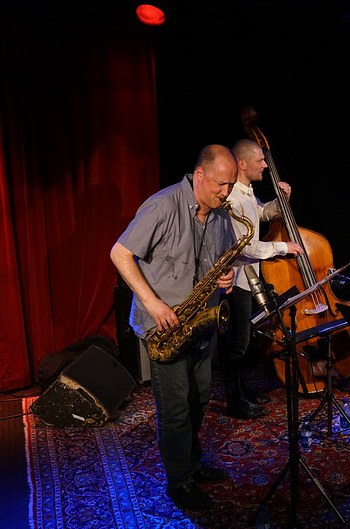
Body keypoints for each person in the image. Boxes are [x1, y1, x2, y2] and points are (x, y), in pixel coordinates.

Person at [110, 144, 238, 512]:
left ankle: (192, 462)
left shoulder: (219, 212)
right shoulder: (162, 206)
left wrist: (227, 277)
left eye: (230, 186)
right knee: (176, 408)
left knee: (199, 399)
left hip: (200, 323)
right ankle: (179, 481)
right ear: (199, 175)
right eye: (220, 184)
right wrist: (152, 302)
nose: (225, 193)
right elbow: (119, 253)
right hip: (164, 327)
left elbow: (222, 262)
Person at [222, 139, 304, 419]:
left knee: (244, 344)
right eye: (260, 161)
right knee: (237, 344)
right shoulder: (232, 198)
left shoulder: (247, 193)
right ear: (242, 164)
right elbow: (245, 246)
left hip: (251, 279)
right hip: (237, 284)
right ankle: (234, 400)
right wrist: (282, 247)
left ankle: (242, 391)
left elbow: (263, 215)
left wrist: (281, 200)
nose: (265, 165)